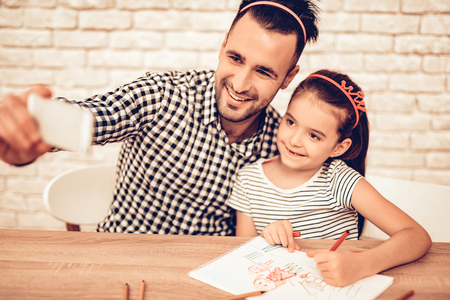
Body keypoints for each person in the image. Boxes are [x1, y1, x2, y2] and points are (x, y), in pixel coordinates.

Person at [0, 1, 320, 235]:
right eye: (235, 58)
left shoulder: (284, 144)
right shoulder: (163, 96)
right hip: (124, 260)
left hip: (209, 280)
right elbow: (90, 117)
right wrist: (32, 128)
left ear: (289, 76)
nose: (239, 84)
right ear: (222, 46)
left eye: (264, 72)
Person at [227, 69, 432, 286]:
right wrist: (265, 239)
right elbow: (244, 258)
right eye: (291, 122)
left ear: (338, 147)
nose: (295, 140)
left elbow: (417, 236)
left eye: (314, 135)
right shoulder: (248, 180)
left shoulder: (339, 180)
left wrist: (361, 264)